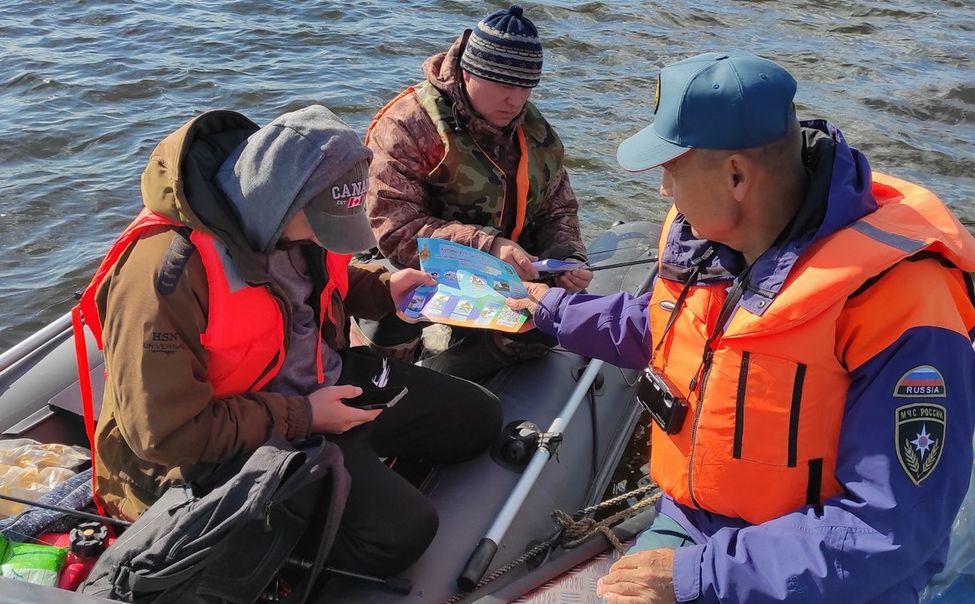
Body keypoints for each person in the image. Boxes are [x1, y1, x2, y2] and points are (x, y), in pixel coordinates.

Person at [508, 52, 975, 603]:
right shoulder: (711, 241)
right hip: (695, 526)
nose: (663, 191)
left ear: (736, 176)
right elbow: (662, 325)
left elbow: (891, 527)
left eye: (671, 169)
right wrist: (547, 309)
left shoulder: (900, 302)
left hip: (829, 575)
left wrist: (698, 576)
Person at [78, 105, 502, 577]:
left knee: (479, 418)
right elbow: (165, 435)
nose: (328, 241)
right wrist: (303, 416)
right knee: (401, 535)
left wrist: (383, 289)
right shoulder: (162, 277)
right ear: (278, 202)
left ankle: (347, 466)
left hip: (318, 389)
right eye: (322, 229)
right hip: (218, 449)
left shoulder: (289, 224)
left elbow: (317, 278)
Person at [354, 5, 593, 378]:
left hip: (504, 272)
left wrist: (566, 257)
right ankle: (396, 372)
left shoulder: (535, 134)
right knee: (387, 326)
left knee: (539, 334)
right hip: (418, 266)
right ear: (468, 72)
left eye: (526, 86)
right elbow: (395, 229)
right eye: (502, 84)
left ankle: (454, 379)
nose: (515, 100)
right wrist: (487, 246)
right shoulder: (409, 125)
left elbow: (558, 209)